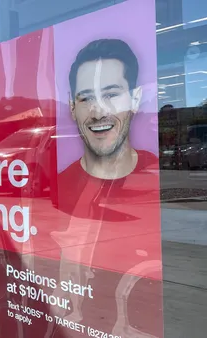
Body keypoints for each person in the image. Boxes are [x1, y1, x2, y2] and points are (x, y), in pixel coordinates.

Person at [48, 39, 162, 337]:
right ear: (72, 107)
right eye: (86, 98)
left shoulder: (159, 180)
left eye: (111, 94)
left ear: (135, 99)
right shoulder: (54, 193)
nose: (98, 112)